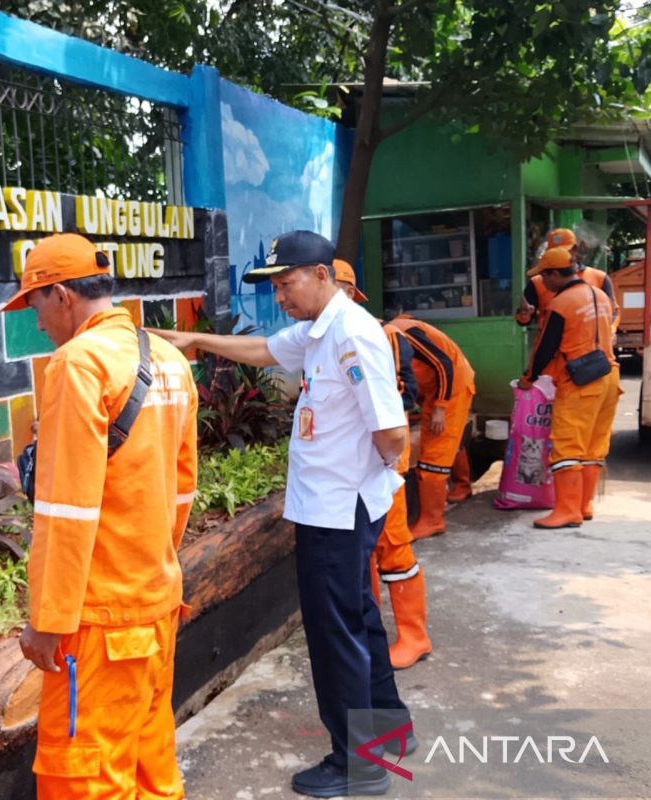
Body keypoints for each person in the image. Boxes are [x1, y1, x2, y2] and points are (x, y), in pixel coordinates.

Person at [152, 231, 412, 798]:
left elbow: (391, 431)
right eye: (273, 287)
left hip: (338, 513)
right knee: (359, 617)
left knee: (332, 635)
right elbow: (265, 350)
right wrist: (195, 338)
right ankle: (390, 729)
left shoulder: (349, 334)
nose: (280, 297)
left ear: (322, 275)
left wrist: (369, 473)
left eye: (286, 283)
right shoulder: (318, 331)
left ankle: (357, 766)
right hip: (342, 508)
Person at [2, 233, 198, 800]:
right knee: (149, 766)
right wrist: (151, 564)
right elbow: (183, 487)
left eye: (34, 304)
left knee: (83, 778)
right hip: (156, 605)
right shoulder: (167, 358)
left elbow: (66, 507)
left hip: (99, 624)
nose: (35, 320)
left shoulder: (77, 365)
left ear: (61, 295)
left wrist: (48, 618)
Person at [333, 261, 432, 670]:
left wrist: (386, 456)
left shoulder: (376, 334)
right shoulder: (327, 336)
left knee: (392, 544)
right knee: (365, 550)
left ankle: (414, 635)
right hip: (354, 460)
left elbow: (401, 399)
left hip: (381, 455)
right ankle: (368, 632)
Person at [518, 246, 621, 528]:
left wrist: (529, 377)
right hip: (609, 376)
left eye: (543, 276)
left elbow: (545, 347)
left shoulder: (560, 303)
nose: (542, 282)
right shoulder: (599, 294)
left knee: (566, 446)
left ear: (554, 274)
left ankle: (566, 510)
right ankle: (584, 505)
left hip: (580, 379)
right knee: (593, 445)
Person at [384, 314, 476, 539]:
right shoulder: (395, 331)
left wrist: (440, 407)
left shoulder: (399, 333)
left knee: (433, 454)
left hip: (450, 388)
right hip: (435, 388)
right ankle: (462, 486)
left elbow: (442, 364)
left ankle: (432, 520)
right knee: (446, 441)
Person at [516, 228, 619, 332]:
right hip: (553, 344)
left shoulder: (599, 278)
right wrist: (524, 313)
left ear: (575, 249)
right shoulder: (538, 282)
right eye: (555, 252)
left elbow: (613, 311)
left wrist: (610, 330)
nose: (561, 254)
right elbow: (523, 320)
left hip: (589, 344)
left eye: (565, 250)